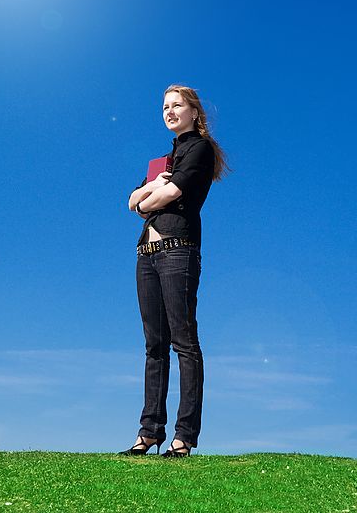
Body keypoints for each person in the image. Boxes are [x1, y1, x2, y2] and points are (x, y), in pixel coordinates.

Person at [119, 85, 230, 458]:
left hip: (177, 250)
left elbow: (165, 198)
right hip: (146, 252)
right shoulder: (163, 162)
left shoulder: (199, 149)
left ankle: (184, 437)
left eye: (176, 105)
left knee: (184, 343)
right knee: (154, 346)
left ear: (194, 112)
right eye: (164, 106)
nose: (169, 111)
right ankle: (148, 432)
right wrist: (149, 188)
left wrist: (149, 195)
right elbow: (132, 201)